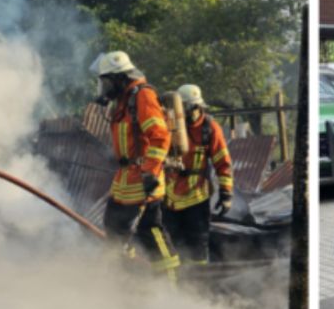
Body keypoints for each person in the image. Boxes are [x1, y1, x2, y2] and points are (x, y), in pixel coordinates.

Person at [92, 50, 181, 279]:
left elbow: (160, 135)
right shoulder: (123, 101)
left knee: (145, 233)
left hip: (142, 180)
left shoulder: (142, 96)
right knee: (118, 232)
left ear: (120, 78)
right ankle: (130, 283)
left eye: (106, 81)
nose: (104, 87)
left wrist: (150, 172)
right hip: (126, 180)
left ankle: (169, 287)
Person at [162, 84, 233, 265]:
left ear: (197, 106)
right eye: (181, 108)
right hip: (169, 198)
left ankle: (198, 284)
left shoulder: (209, 128)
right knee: (172, 245)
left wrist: (226, 194)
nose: (185, 112)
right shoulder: (170, 126)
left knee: (197, 245)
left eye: (188, 107)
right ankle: (176, 284)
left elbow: (222, 162)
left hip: (196, 197)